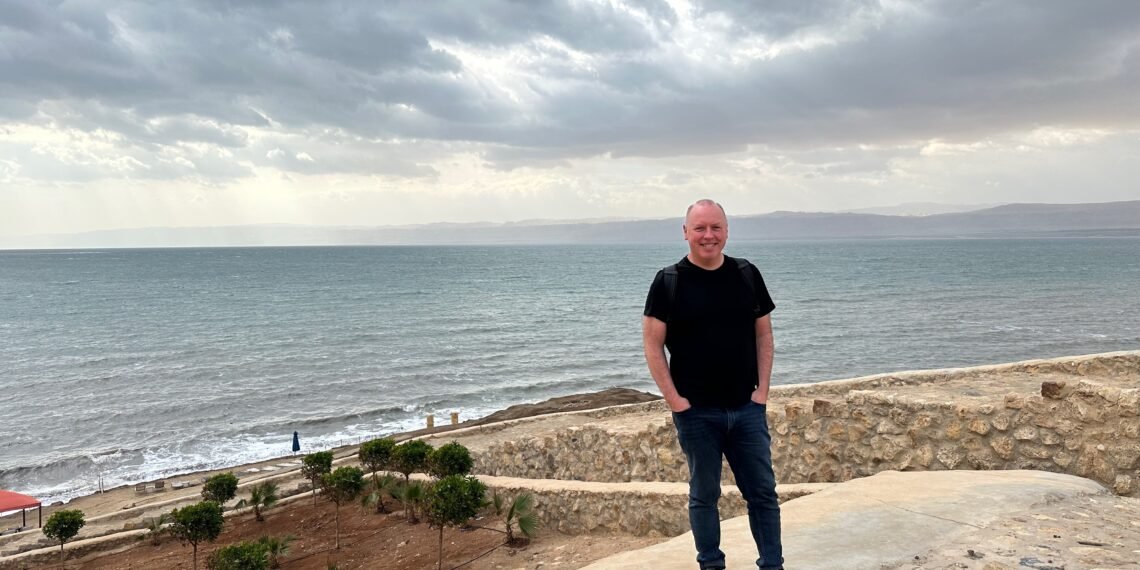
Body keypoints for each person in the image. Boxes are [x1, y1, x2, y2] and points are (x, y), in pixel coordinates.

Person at [642, 199, 783, 570]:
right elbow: (653, 346)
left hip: (746, 409)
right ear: (686, 233)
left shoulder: (746, 274)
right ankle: (711, 565)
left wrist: (762, 393)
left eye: (716, 227)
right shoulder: (668, 281)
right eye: (700, 228)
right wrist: (675, 402)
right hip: (696, 413)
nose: (709, 235)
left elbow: (764, 336)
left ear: (726, 231)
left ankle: (772, 565)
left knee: (763, 495)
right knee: (704, 497)